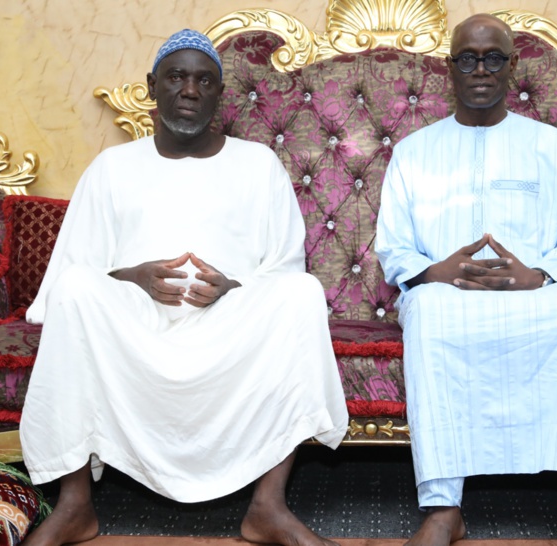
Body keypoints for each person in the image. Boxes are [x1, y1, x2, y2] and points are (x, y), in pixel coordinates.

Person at [19, 29, 348, 546]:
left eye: (204, 81)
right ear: (153, 86)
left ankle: (268, 507)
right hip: (136, 326)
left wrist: (233, 287)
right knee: (77, 288)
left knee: (301, 292)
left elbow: (283, 266)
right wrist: (134, 276)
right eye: (176, 77)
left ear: (220, 94)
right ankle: (75, 504)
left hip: (230, 325)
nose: (190, 90)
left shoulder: (258, 164)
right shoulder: (112, 168)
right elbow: (74, 270)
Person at [375, 14, 557, 546]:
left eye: (493, 58)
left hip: (537, 297)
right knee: (428, 314)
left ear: (513, 65)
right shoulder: (413, 152)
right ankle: (444, 508)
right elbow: (393, 246)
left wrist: (537, 275)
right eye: (468, 59)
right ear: (449, 68)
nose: (481, 70)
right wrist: (438, 271)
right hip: (446, 296)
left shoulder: (549, 145)